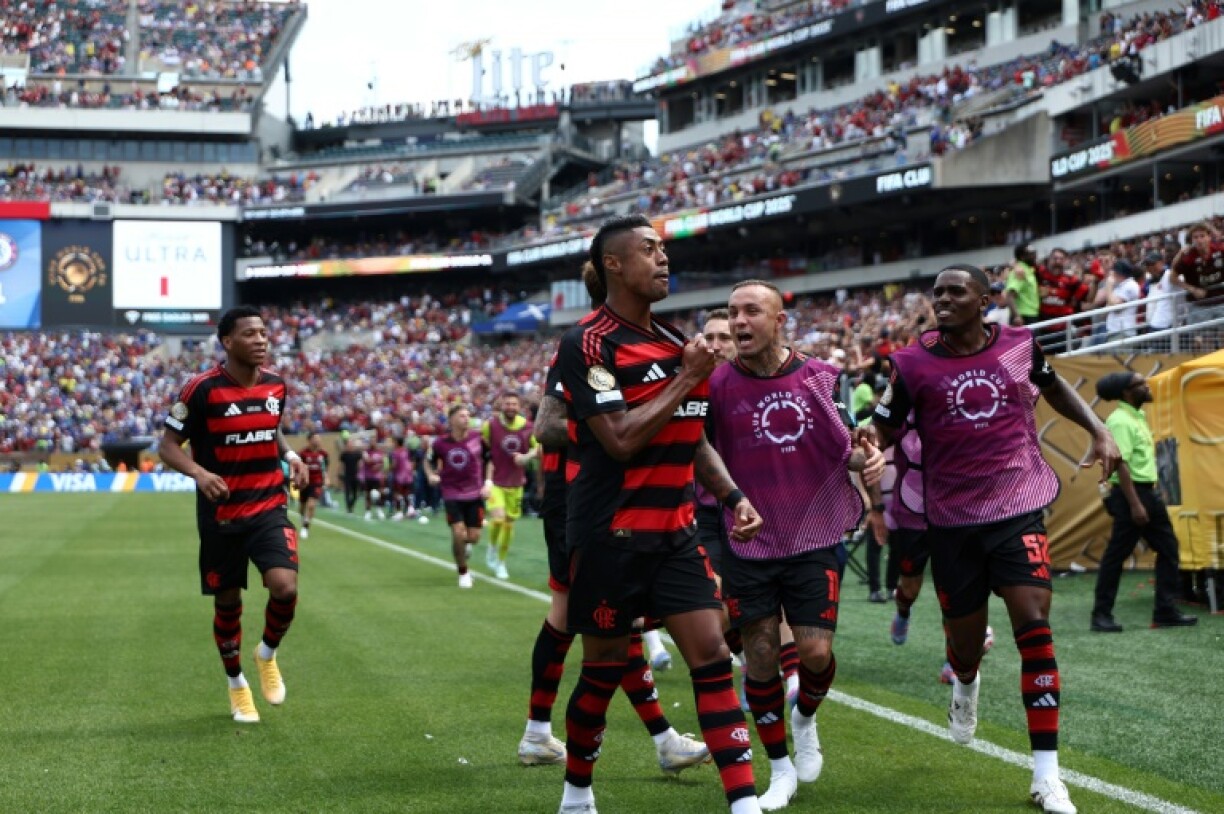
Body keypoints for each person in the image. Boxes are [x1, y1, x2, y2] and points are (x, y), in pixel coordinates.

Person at [871, 264, 1120, 814]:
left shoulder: (1019, 345)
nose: (943, 300)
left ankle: (1047, 775)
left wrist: (1098, 429)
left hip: (1016, 508)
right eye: (937, 293)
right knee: (963, 646)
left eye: (956, 292)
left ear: (986, 300)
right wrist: (868, 445)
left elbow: (1054, 390)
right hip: (951, 521)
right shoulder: (912, 364)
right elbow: (884, 427)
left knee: (1034, 626)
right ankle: (965, 680)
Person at [555, 215, 765, 814]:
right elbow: (620, 439)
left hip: (675, 535)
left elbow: (693, 440)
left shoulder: (675, 344)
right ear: (615, 264)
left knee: (712, 659)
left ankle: (743, 804)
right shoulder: (588, 342)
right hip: (608, 538)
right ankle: (576, 795)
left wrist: (732, 497)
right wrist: (687, 377)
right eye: (649, 250)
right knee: (602, 672)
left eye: (664, 250)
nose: (663, 259)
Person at [518, 266, 712, 776]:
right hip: (583, 500)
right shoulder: (588, 347)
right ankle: (545, 734)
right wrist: (612, 422)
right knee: (577, 620)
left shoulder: (657, 341)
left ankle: (652, 737)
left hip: (625, 504)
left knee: (601, 625)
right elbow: (547, 425)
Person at [708, 280, 884, 810]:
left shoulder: (821, 378)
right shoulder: (714, 384)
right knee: (760, 657)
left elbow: (844, 447)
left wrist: (867, 460)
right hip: (748, 539)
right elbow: (697, 451)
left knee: (815, 652)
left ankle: (804, 715)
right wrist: (732, 500)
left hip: (810, 535)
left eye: (751, 312)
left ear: (779, 320)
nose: (739, 323)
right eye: (734, 313)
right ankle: (779, 769)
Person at [158, 305, 309, 724]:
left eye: (264, 332)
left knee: (285, 587)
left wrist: (291, 454)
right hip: (220, 515)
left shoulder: (276, 386)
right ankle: (237, 684)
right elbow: (167, 446)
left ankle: (266, 654)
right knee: (228, 602)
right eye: (250, 334)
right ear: (228, 342)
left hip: (268, 506)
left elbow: (270, 426)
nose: (261, 340)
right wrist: (199, 471)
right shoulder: (200, 389)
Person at [1090, 372, 1197, 632]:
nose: (1147, 386)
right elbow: (1120, 463)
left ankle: (1165, 611)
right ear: (1127, 392)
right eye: (1140, 384)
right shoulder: (1121, 421)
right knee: (1117, 556)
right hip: (1132, 495)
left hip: (1146, 493)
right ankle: (1101, 616)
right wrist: (1136, 504)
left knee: (1169, 549)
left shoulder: (1137, 417)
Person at [423, 404, 488, 589]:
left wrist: (488, 482)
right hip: (451, 493)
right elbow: (427, 461)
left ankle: (464, 545)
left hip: (474, 493)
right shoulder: (440, 443)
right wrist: (431, 475)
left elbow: (489, 458)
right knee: (458, 532)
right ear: (451, 419)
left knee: (473, 537)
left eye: (468, 415)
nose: (466, 419)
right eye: (461, 416)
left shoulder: (478, 438)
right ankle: (463, 572)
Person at [481, 392, 538, 579]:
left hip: (516, 483)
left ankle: (501, 562)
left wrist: (526, 457)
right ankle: (491, 547)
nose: (511, 407)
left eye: (514, 404)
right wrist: (486, 480)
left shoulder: (528, 427)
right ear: (501, 406)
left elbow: (537, 448)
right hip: (496, 482)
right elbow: (485, 451)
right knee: (498, 519)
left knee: (508, 525)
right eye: (507, 404)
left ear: (519, 407)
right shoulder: (490, 426)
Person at [297, 432, 329, 539]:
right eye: (315, 439)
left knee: (311, 505)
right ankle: (303, 518)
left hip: (317, 483)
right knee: (302, 506)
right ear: (309, 440)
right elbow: (298, 468)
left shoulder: (323, 454)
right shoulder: (303, 453)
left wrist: (327, 478)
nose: (318, 441)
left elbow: (325, 468)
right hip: (305, 483)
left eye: (319, 439)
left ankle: (305, 527)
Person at [1005, 244, 1041, 326]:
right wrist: (1017, 316)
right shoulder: (1020, 271)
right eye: (1031, 253)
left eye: (1034, 252)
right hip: (1023, 317)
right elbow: (1009, 295)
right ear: (1022, 257)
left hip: (1031, 315)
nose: (1035, 255)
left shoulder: (1029, 269)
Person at [389, 436, 417, 520]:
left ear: (397, 443)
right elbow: (412, 463)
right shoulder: (407, 451)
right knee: (407, 494)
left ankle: (399, 512)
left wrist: (389, 469)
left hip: (399, 477)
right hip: (408, 476)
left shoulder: (395, 452)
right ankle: (410, 510)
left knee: (397, 494)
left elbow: (394, 464)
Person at [361, 439, 387, 521]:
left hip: (377, 477)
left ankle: (379, 510)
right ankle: (368, 511)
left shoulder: (380, 452)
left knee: (379, 494)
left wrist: (378, 466)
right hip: (368, 476)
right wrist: (375, 461)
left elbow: (383, 462)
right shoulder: (366, 452)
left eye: (374, 442)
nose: (373, 444)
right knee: (368, 494)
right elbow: (367, 461)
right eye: (371, 442)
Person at [338, 434, 362, 513]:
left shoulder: (357, 454)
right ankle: (348, 506)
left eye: (351, 444)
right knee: (347, 492)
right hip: (347, 475)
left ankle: (351, 504)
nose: (350, 445)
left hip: (355, 475)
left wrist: (360, 473)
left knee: (355, 493)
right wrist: (340, 473)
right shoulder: (344, 454)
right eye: (349, 444)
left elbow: (360, 464)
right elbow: (341, 464)